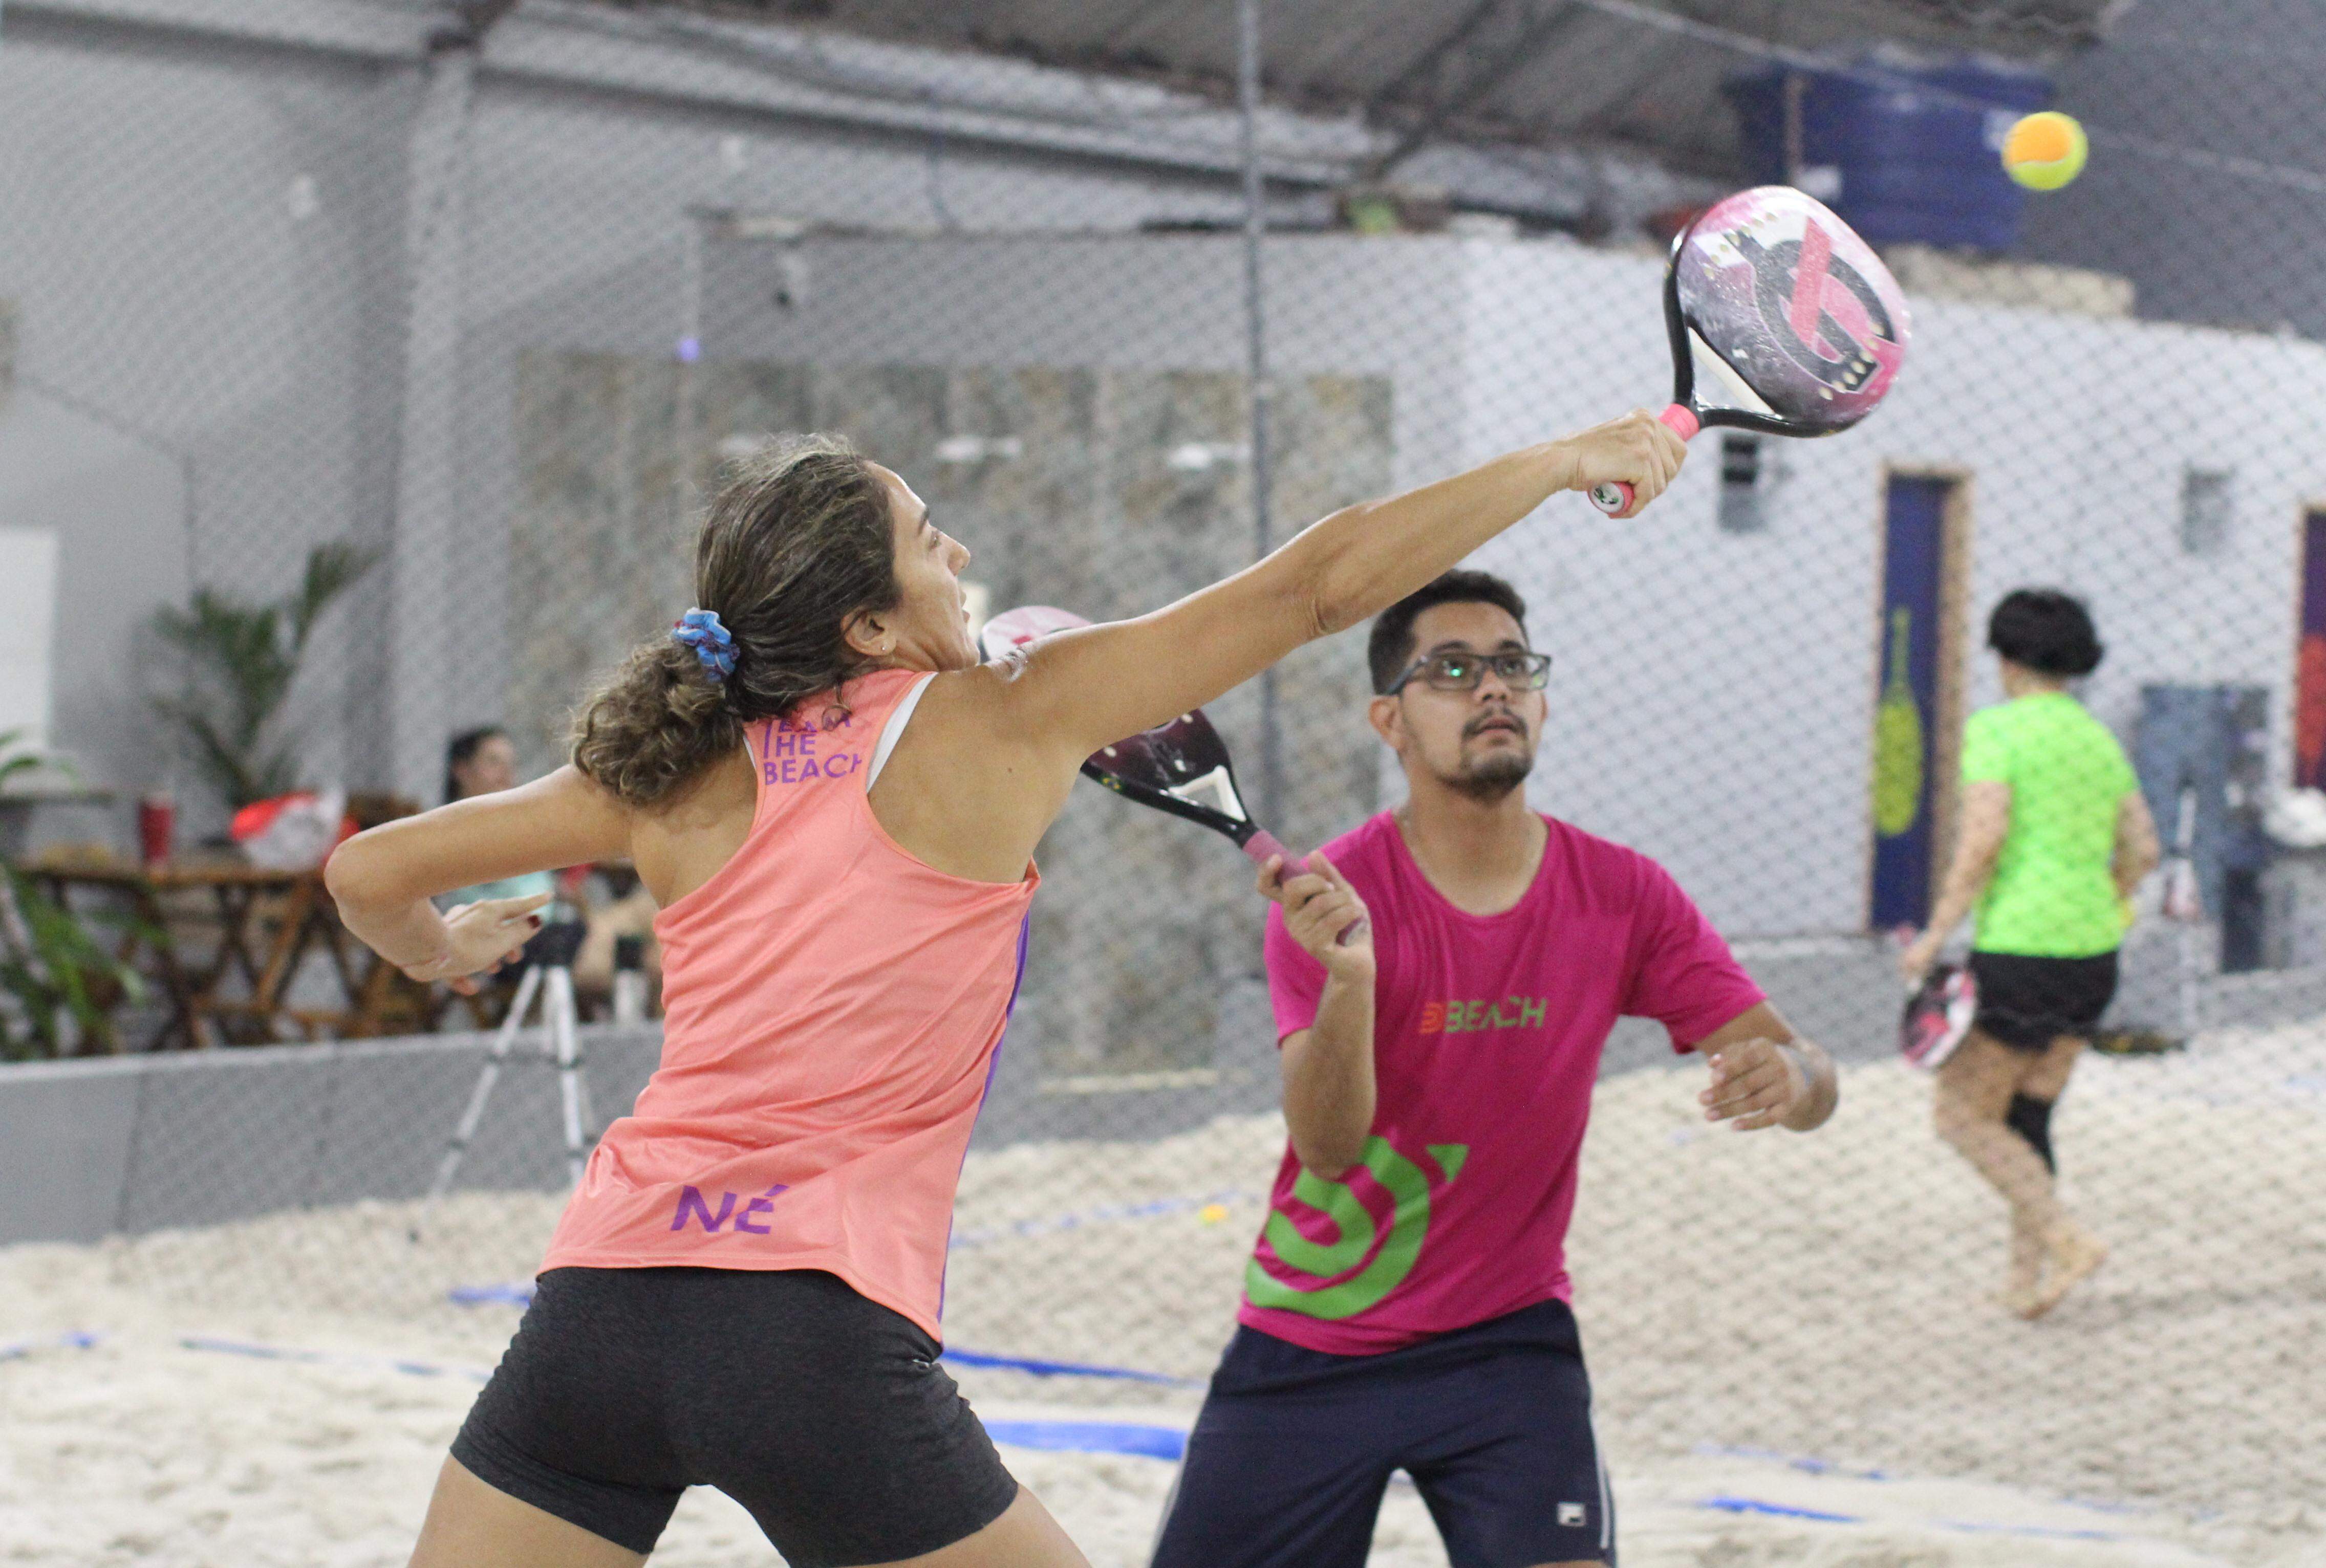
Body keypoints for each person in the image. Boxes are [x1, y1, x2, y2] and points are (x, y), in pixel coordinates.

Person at [325, 418, 1686, 1568]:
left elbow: (368, 871)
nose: (958, 554)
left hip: (596, 1314)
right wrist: (1562, 459)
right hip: (808, 1331)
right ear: (867, 624)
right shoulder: (1002, 717)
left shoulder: (662, 768)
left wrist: (439, 956)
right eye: (928, 541)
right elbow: (1320, 584)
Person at [1150, 569, 1839, 1568]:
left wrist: (1798, 1076)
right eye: (1455, 668)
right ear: (1389, 717)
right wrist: (1350, 981)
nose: (1494, 688)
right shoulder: (1332, 898)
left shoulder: (1624, 893)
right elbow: (1330, 1146)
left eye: (1514, 664)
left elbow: (1800, 1062)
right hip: (1315, 1339)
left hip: (1506, 1345)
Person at [1901, 589, 2159, 1319]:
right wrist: (2104, 899)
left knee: (1960, 1119)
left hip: (2020, 945)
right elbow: (2142, 848)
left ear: (2004, 658)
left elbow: (1983, 839)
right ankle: (2027, 1281)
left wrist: (1935, 934)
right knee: (2026, 1118)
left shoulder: (1998, 731)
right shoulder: (2097, 738)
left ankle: (2068, 1239)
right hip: (2093, 952)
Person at [441, 728, 558, 910]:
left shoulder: (525, 828)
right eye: (493, 762)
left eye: (513, 764)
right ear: (462, 770)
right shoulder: (444, 832)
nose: (507, 774)